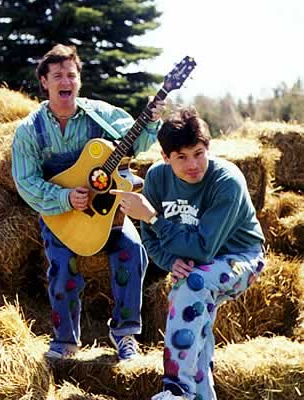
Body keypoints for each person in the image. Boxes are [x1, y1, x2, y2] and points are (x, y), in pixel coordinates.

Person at [11, 44, 164, 361]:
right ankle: (65, 341)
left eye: (71, 74)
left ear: (78, 80)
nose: (65, 81)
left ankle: (125, 335)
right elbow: (26, 182)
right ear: (45, 82)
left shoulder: (103, 115)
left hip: (108, 214)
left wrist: (151, 120)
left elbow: (139, 142)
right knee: (62, 269)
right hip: (60, 214)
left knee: (132, 252)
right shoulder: (30, 130)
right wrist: (65, 197)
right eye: (57, 76)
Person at [111, 108, 265, 399]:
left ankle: (176, 390)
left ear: (208, 148)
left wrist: (153, 217)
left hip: (242, 257)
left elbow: (202, 249)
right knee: (198, 329)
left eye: (198, 153)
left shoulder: (227, 181)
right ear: (165, 157)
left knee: (192, 284)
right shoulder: (157, 178)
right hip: (198, 263)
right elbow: (150, 239)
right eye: (181, 157)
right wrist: (170, 261)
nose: (193, 164)